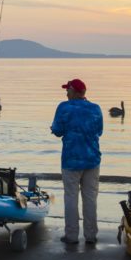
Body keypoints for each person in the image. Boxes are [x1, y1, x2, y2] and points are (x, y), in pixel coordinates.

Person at [50, 78, 104, 245]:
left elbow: (58, 131)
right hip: (92, 159)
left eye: (68, 90)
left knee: (71, 197)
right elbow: (99, 131)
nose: (66, 93)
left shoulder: (64, 107)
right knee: (90, 198)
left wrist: (57, 129)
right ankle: (91, 235)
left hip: (71, 160)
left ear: (74, 91)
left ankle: (72, 236)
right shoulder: (96, 109)